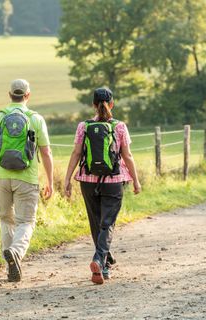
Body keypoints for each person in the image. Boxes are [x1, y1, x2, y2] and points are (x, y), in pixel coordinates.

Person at [0, 79, 53, 282]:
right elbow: (45, 152)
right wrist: (50, 181)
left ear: (9, 95)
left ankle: (10, 263)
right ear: (28, 95)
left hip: (1, 177)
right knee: (26, 221)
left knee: (5, 220)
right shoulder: (36, 119)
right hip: (27, 177)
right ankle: (16, 253)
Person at [64, 87, 141, 285]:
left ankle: (104, 263)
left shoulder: (84, 126)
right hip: (114, 181)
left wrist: (67, 179)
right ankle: (99, 260)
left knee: (96, 222)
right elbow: (127, 155)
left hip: (87, 181)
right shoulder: (119, 126)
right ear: (112, 104)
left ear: (93, 105)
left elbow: (76, 153)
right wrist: (136, 180)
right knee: (107, 223)